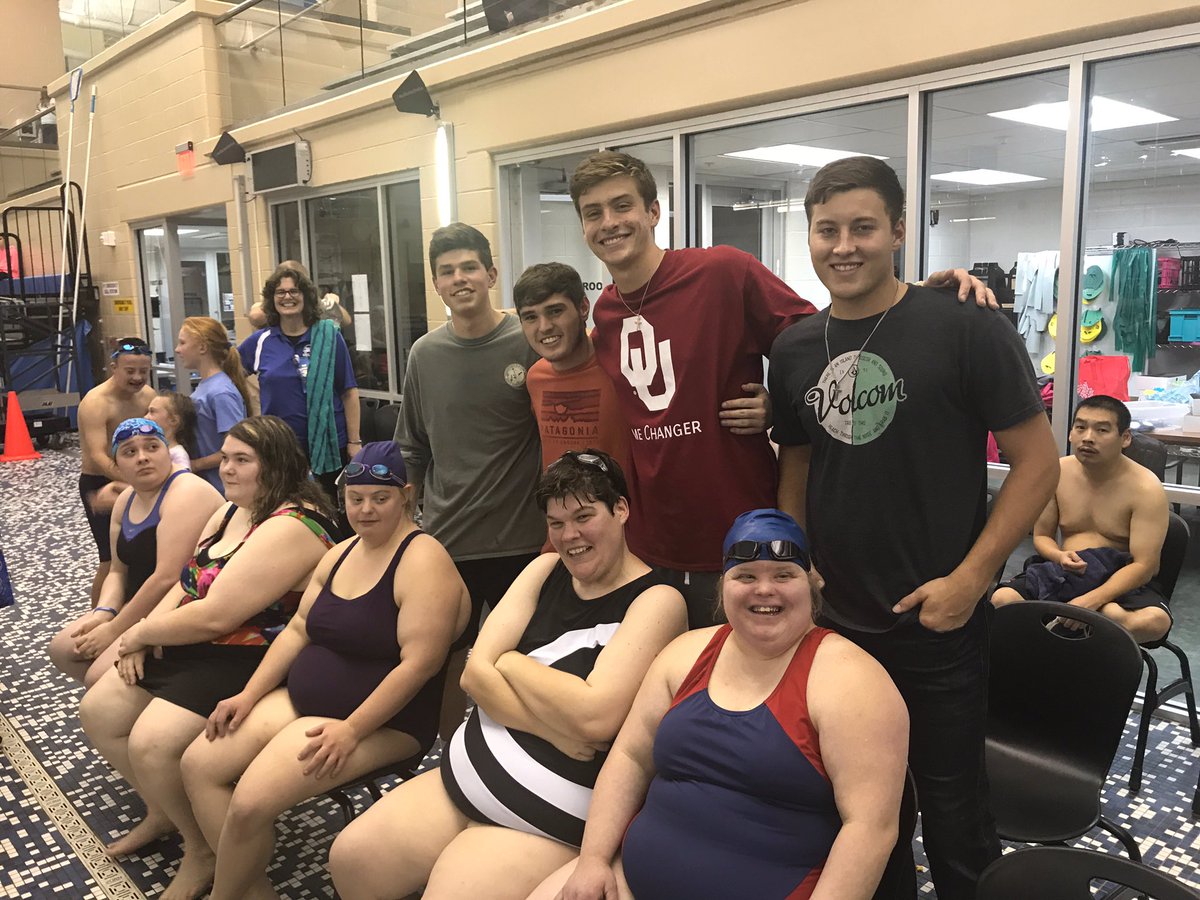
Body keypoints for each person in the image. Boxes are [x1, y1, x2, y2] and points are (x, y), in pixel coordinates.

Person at [769, 156, 1060, 898]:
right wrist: (800, 564)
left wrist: (972, 580)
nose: (844, 246)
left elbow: (1037, 464)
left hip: (938, 622)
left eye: (863, 227)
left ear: (898, 232)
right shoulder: (795, 348)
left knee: (956, 816)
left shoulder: (965, 325)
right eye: (827, 230)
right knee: (866, 812)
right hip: (836, 621)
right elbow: (796, 469)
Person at [570, 151, 994, 629]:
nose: (609, 222)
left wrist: (912, 297)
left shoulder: (722, 272)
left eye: (622, 205)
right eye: (593, 212)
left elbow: (829, 340)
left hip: (744, 541)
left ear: (652, 212)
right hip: (651, 545)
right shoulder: (605, 315)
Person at [328, 449, 688, 900]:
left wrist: (512, 662)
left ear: (620, 510)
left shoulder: (656, 600)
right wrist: (551, 727)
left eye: (584, 517)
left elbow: (595, 717)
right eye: (556, 523)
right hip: (463, 773)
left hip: (547, 810)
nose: (569, 536)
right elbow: (474, 677)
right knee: (352, 859)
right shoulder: (544, 569)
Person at [546, 509, 909, 900]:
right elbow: (630, 757)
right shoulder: (684, 654)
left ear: (810, 586)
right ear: (723, 587)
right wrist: (594, 860)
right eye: (746, 576)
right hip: (628, 880)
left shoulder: (852, 681)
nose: (764, 589)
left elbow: (870, 829)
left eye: (783, 575)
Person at [181, 441, 471, 900]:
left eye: (380, 498)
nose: (366, 510)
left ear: (406, 496)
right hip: (305, 702)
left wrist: (352, 730)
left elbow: (420, 664)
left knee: (250, 803)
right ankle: (250, 888)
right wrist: (249, 694)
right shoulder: (341, 553)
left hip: (379, 722)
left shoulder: (423, 560)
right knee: (199, 765)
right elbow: (298, 630)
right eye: (356, 499)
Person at [78, 415, 339, 900]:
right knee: (99, 711)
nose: (227, 469)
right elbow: (186, 582)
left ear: (276, 466)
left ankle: (207, 854)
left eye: (242, 460)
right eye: (225, 458)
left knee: (152, 744)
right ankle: (173, 819)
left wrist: (138, 634)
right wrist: (142, 635)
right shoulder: (230, 510)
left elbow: (219, 615)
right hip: (196, 642)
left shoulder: (294, 524)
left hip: (252, 657)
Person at [393, 223, 547, 738]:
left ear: (491, 274)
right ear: (436, 284)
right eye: (447, 271)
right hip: (448, 542)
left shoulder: (527, 341)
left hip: (521, 541)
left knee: (518, 663)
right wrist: (406, 529)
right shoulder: (424, 354)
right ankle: (448, 760)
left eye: (469, 267)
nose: (459, 278)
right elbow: (412, 448)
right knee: (444, 663)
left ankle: (517, 757)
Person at [515, 261, 771, 555]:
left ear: (583, 308)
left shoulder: (620, 362)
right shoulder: (535, 378)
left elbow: (692, 390)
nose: (544, 327)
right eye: (530, 317)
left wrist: (771, 407)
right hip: (564, 540)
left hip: (630, 539)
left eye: (555, 311)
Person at [48, 418, 223, 688]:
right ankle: (123, 695)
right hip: (141, 602)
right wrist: (103, 613)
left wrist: (114, 630)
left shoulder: (187, 492)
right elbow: (118, 571)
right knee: (63, 650)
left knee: (98, 675)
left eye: (152, 447)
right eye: (130, 452)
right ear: (117, 466)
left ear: (167, 452)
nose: (142, 457)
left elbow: (167, 578)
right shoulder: (125, 500)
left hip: (182, 604)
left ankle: (126, 695)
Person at [992, 395, 1171, 643]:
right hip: (1064, 571)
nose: (1088, 437)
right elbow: (1042, 537)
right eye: (1080, 427)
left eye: (1102, 430)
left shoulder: (1146, 488)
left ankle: (1082, 639)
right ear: (1070, 434)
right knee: (1002, 600)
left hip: (1118, 578)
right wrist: (1059, 556)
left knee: (1154, 621)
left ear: (1125, 438)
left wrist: (1092, 600)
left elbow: (1145, 565)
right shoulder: (1057, 473)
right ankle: (1056, 648)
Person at [239, 262, 361, 503]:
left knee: (328, 510)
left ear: (306, 296)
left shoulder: (329, 336)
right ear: (271, 299)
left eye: (294, 291)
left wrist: (354, 442)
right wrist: (250, 415)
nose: (287, 297)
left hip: (329, 446)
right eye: (280, 292)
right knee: (284, 509)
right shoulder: (261, 341)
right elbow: (230, 377)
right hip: (280, 447)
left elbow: (348, 392)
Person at [76, 338, 157, 604]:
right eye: (130, 371)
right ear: (114, 368)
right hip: (101, 482)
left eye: (143, 371)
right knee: (111, 559)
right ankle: (97, 616)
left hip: (137, 479)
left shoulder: (148, 396)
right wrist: (135, 482)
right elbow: (98, 456)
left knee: (142, 554)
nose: (137, 378)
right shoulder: (96, 402)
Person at [174, 316, 251, 492]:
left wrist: (193, 465)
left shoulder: (221, 392)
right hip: (208, 485)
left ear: (202, 347)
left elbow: (236, 447)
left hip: (220, 488)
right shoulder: (207, 386)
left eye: (183, 343)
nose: (177, 349)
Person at [147, 391, 198, 471]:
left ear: (173, 420)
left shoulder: (178, 455)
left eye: (152, 412)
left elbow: (182, 478)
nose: (145, 417)